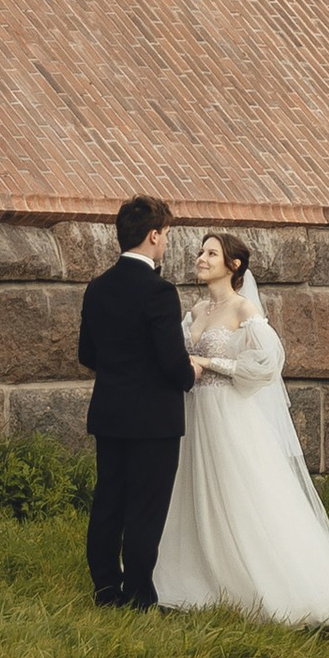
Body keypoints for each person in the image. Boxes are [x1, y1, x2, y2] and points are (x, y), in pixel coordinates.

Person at [154, 231, 329, 628]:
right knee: (191, 492)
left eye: (211, 253)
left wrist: (211, 365)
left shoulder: (243, 310)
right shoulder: (195, 311)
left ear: (233, 266)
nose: (201, 258)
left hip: (227, 414)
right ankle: (196, 577)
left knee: (239, 494)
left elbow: (266, 365)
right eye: (201, 252)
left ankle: (276, 586)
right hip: (193, 415)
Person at [76, 195, 197, 609]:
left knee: (109, 499)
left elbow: (87, 354)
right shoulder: (159, 291)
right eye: (164, 235)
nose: (165, 243)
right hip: (153, 421)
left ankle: (106, 589)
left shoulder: (98, 287)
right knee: (146, 508)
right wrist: (191, 372)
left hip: (110, 413)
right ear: (153, 235)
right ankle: (140, 595)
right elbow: (172, 362)